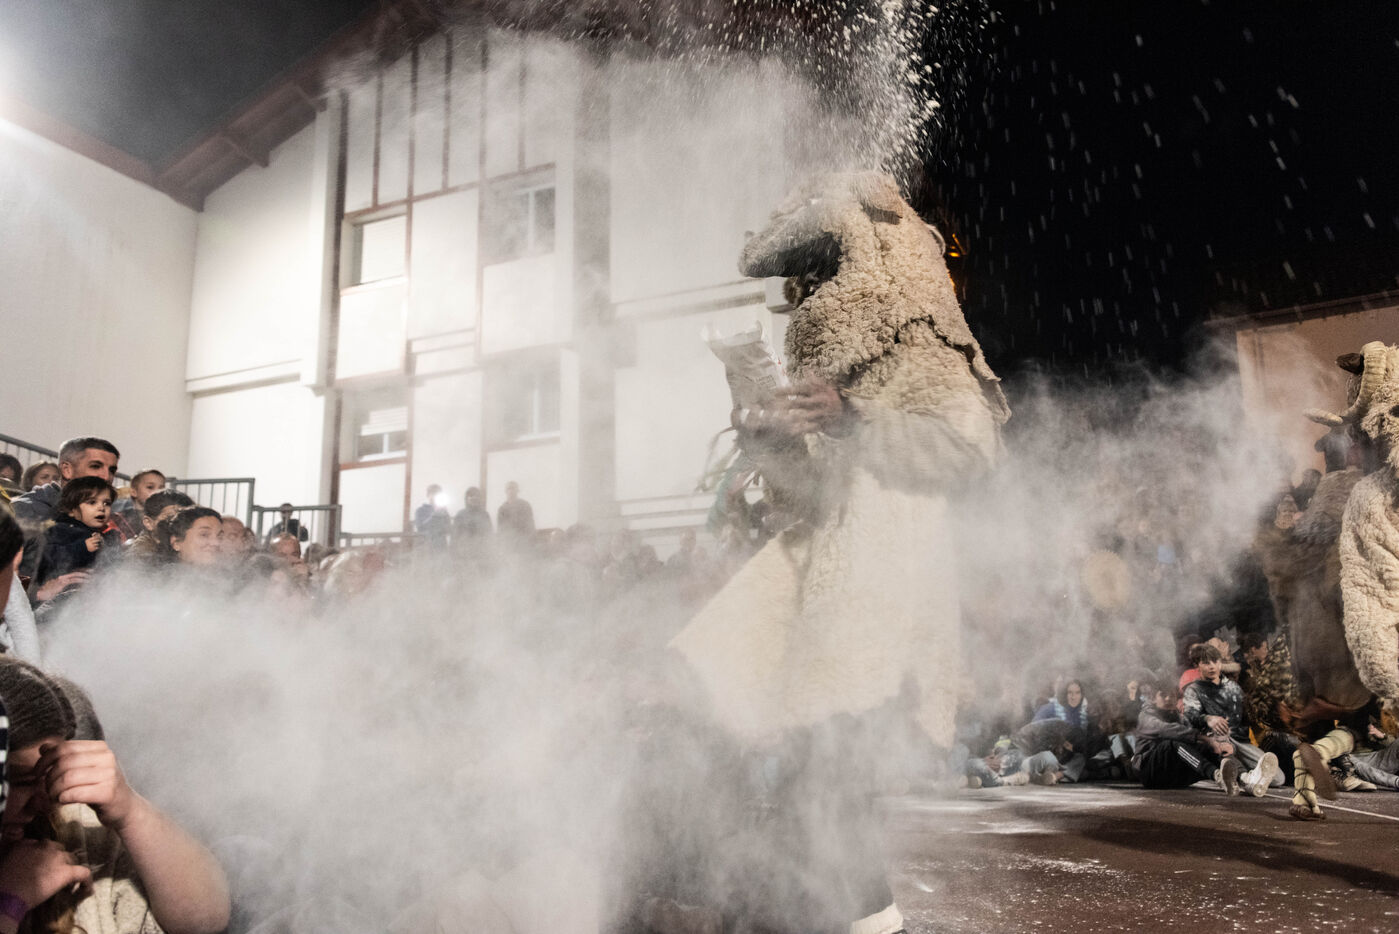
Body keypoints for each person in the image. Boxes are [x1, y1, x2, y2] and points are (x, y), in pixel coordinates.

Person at [0, 656, 230, 934]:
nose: (42, 802)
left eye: (50, 776)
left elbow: (204, 922)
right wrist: (10, 902)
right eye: (21, 781)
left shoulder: (74, 826)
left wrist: (131, 812)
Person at [9, 439, 119, 579]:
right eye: (95, 466)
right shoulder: (25, 510)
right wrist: (43, 589)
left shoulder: (102, 516)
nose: (106, 477)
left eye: (112, 470)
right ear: (67, 470)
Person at [1181, 643, 1281, 795]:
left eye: (1215, 661)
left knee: (1278, 779)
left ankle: (1250, 775)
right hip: (1214, 740)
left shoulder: (1233, 687)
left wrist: (1260, 710)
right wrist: (1208, 718)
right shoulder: (1194, 689)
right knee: (1221, 741)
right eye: (1206, 663)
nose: (1212, 666)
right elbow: (1190, 715)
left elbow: (1247, 717)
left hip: (1240, 741)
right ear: (1198, 665)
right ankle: (1246, 778)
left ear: (1220, 663)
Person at [1133, 684, 1238, 791]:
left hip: (1173, 776)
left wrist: (1216, 745)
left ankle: (1240, 778)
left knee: (1209, 748)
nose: (1168, 698)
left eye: (1172, 695)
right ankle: (1217, 775)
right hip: (1149, 773)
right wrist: (1205, 739)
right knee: (1171, 745)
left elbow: (1192, 739)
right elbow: (1166, 730)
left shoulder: (1179, 717)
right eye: (1163, 695)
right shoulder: (1145, 716)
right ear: (1153, 699)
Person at [33, 478, 122, 594]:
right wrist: (83, 547)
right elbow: (47, 558)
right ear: (71, 510)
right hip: (62, 596)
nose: (101, 508)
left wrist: (106, 545)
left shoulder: (103, 535)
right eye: (92, 502)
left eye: (107, 503)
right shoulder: (60, 530)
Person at [110, 469, 165, 541]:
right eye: (150, 487)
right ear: (134, 492)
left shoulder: (165, 517)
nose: (157, 492)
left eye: (161, 488)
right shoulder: (119, 517)